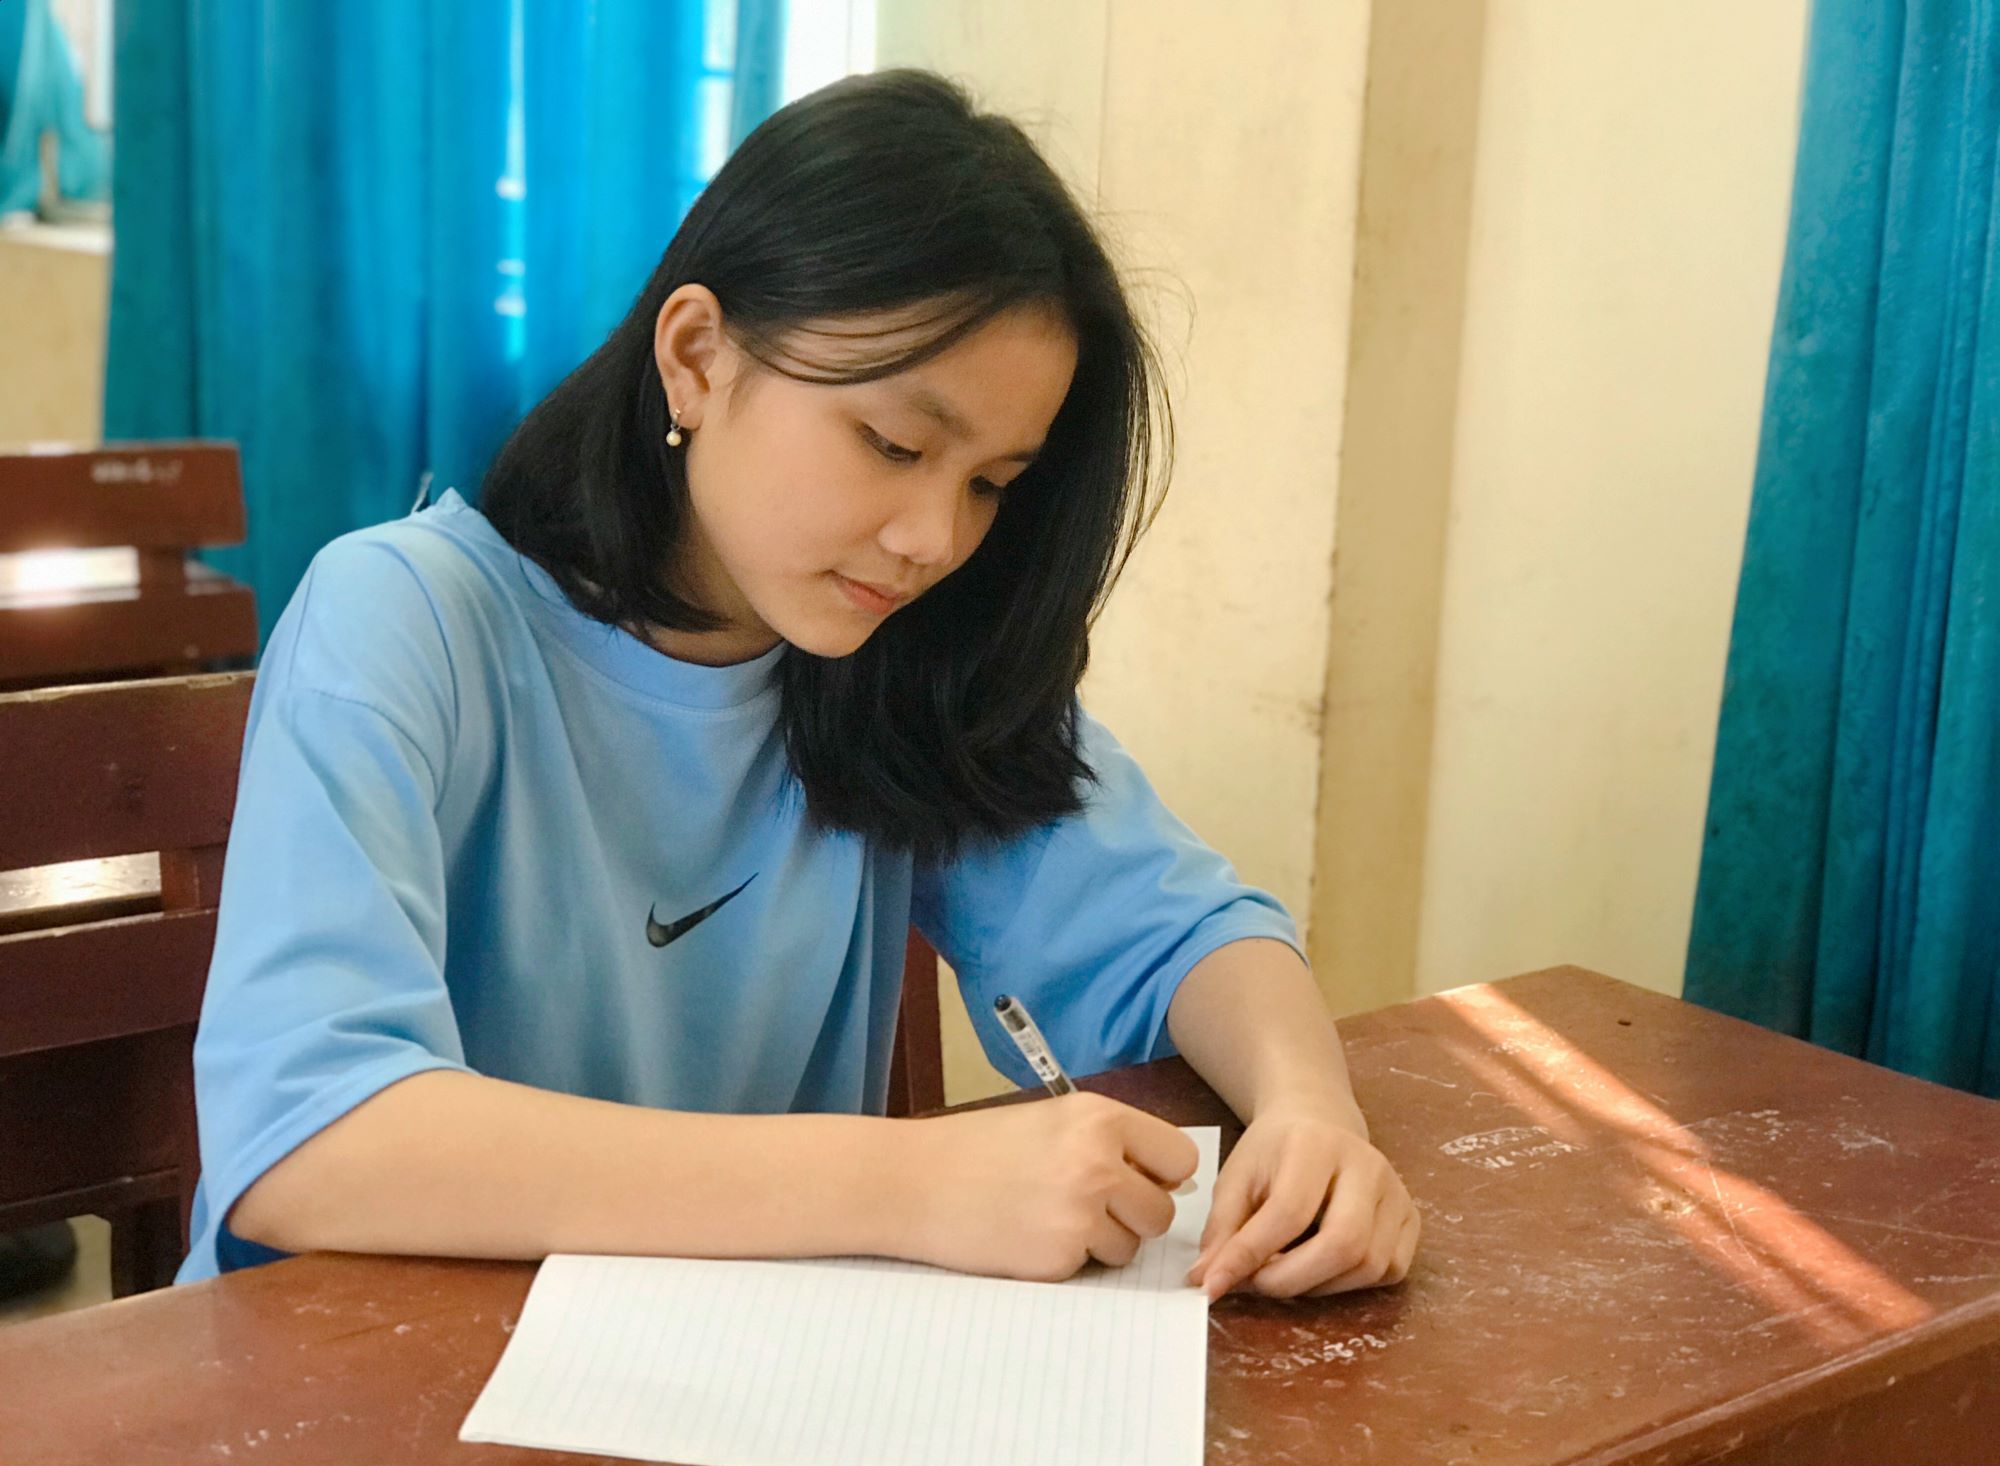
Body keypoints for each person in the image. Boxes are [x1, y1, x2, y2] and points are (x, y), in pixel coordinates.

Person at [182, 69, 1420, 1303]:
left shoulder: (891, 670)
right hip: (355, 1389)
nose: (935, 537)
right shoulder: (403, 621)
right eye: (893, 444)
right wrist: (903, 1182)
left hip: (718, 1390)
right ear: (698, 358)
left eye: (992, 481)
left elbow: (1184, 935)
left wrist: (1311, 1118)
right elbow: (309, 1137)